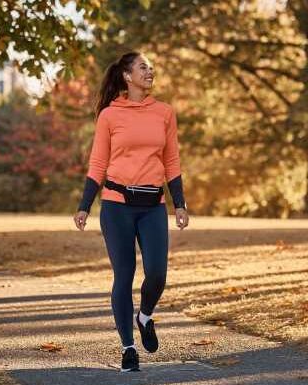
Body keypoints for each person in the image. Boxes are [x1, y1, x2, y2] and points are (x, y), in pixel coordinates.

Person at [73, 51, 189, 373]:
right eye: (143, 67)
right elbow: (98, 163)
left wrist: (179, 203)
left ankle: (145, 315)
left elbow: (172, 162)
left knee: (157, 273)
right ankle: (128, 348)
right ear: (127, 75)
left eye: (151, 67)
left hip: (153, 207)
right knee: (123, 276)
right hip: (116, 205)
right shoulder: (109, 116)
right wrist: (84, 206)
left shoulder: (164, 113)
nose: (149, 71)